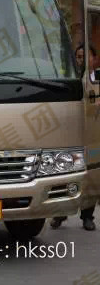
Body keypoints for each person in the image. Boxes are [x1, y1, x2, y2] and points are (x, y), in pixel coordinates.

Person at [51, 44, 97, 231]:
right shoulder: (68, 80)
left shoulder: (97, 78)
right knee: (65, 174)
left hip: (92, 137)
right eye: (78, 57)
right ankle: (60, 214)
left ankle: (87, 217)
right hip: (71, 136)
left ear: (94, 59)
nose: (81, 60)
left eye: (85, 56)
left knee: (89, 178)